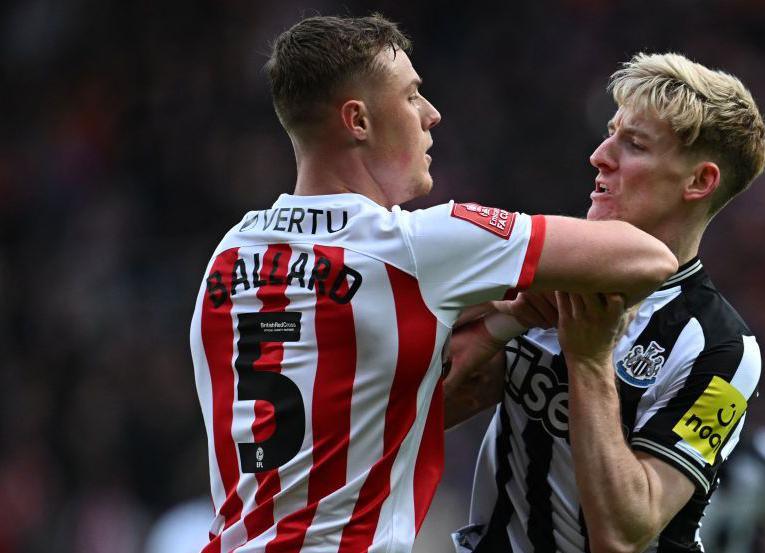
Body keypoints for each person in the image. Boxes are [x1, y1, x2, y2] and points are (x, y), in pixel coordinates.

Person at [189, 15, 677, 553]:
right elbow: (648, 257)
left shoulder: (229, 255)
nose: (431, 115)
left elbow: (361, 375)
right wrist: (530, 290)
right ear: (359, 121)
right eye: (412, 96)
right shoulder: (414, 245)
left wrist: (504, 314)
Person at [444, 52, 765, 553]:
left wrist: (591, 361)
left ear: (699, 182)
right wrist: (504, 319)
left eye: (634, 144)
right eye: (611, 132)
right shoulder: (553, 271)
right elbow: (429, 412)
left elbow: (624, 533)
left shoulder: (723, 349)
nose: (600, 155)